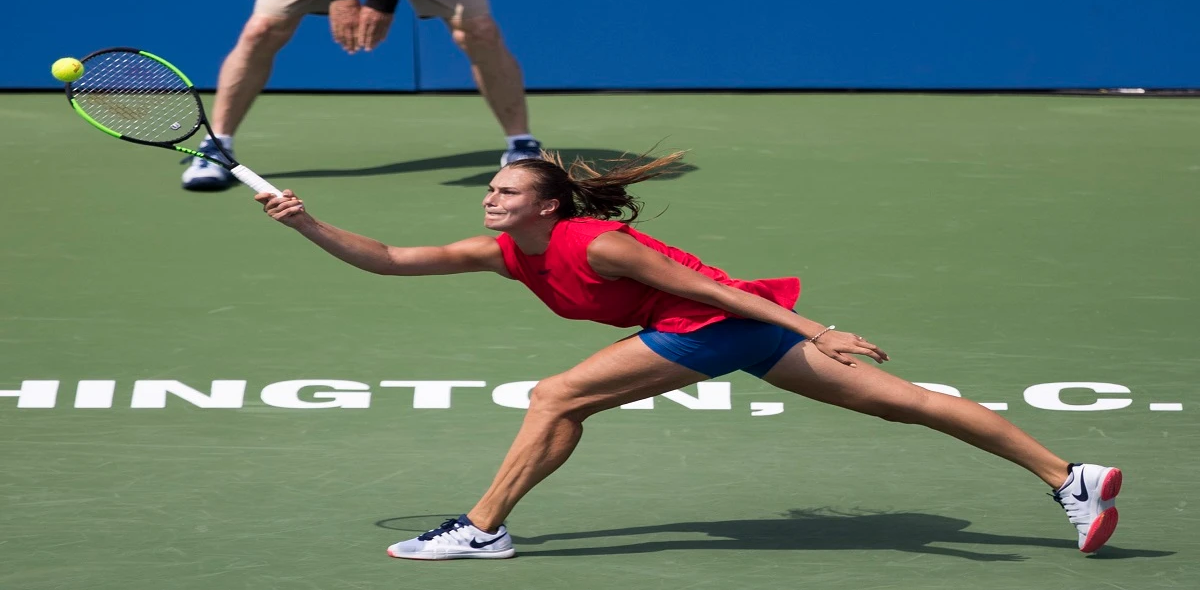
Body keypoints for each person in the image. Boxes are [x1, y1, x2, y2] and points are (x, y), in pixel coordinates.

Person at [254, 151, 1123, 560]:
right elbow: (393, 260)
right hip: (735, 336)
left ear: (551, 205)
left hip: (717, 325)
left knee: (557, 395)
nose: (490, 197)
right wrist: (307, 223)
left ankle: (481, 528)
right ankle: (1070, 476)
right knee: (908, 402)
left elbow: (715, 291)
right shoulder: (501, 249)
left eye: (508, 190)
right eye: (490, 188)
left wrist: (816, 327)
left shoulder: (596, 244)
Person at [184, 0, 540, 190]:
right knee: (261, 29)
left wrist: (382, 1)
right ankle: (217, 145)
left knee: (479, 31)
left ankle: (521, 145)